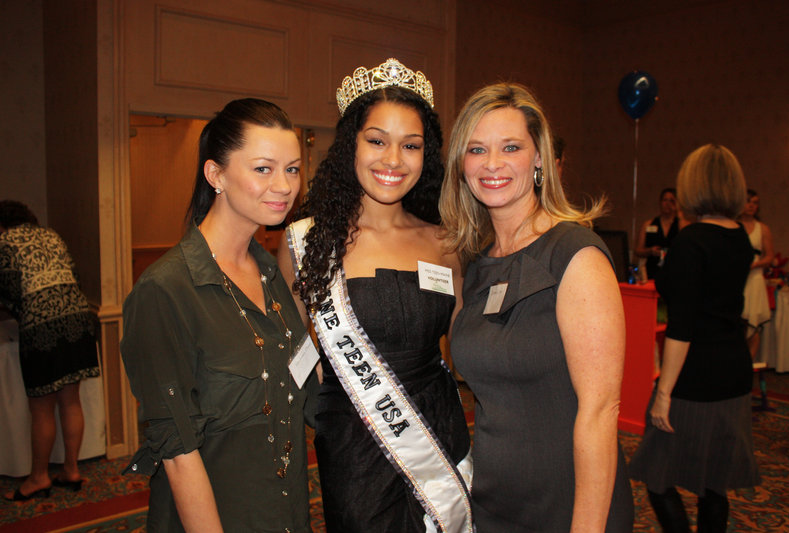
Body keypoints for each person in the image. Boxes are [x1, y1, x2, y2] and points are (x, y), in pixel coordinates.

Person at [278, 58, 472, 533]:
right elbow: (288, 348)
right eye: (377, 141)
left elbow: (469, 349)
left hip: (440, 430)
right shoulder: (306, 241)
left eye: (410, 145)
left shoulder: (446, 242)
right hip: (353, 440)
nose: (392, 160)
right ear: (351, 145)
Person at [440, 83, 633, 532]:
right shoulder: (477, 261)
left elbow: (601, 410)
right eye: (476, 149)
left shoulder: (575, 254)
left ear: (540, 157)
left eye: (511, 147)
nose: (492, 164)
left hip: (569, 505)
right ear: (461, 164)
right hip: (494, 501)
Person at [120, 98, 318, 532]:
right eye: (263, 169)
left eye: (293, 169)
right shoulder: (165, 290)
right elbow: (178, 455)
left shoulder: (269, 272)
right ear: (216, 175)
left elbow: (304, 386)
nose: (285, 186)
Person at [629, 144, 761, 533]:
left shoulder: (691, 241)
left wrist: (664, 393)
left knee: (656, 476)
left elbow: (682, 326)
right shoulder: (739, 235)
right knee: (713, 483)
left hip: (694, 375)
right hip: (734, 369)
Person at [0, 201, 100, 501]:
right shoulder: (51, 235)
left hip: (41, 326)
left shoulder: (4, 242)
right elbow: (75, 279)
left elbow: (7, 290)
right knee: (70, 400)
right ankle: (71, 470)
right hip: (80, 321)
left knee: (41, 406)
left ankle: (39, 477)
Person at [739, 188, 774, 358]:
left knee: (754, 326)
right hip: (737, 280)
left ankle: (749, 364)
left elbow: (769, 257)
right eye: (748, 202)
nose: (751, 206)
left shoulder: (763, 229)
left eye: (755, 203)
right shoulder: (734, 225)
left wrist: (753, 265)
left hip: (754, 278)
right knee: (738, 322)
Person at [635, 187, 680, 280]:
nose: (667, 204)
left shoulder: (680, 224)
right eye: (665, 200)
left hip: (674, 271)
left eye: (671, 200)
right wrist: (650, 251)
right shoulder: (648, 224)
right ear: (660, 202)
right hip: (652, 271)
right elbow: (638, 250)